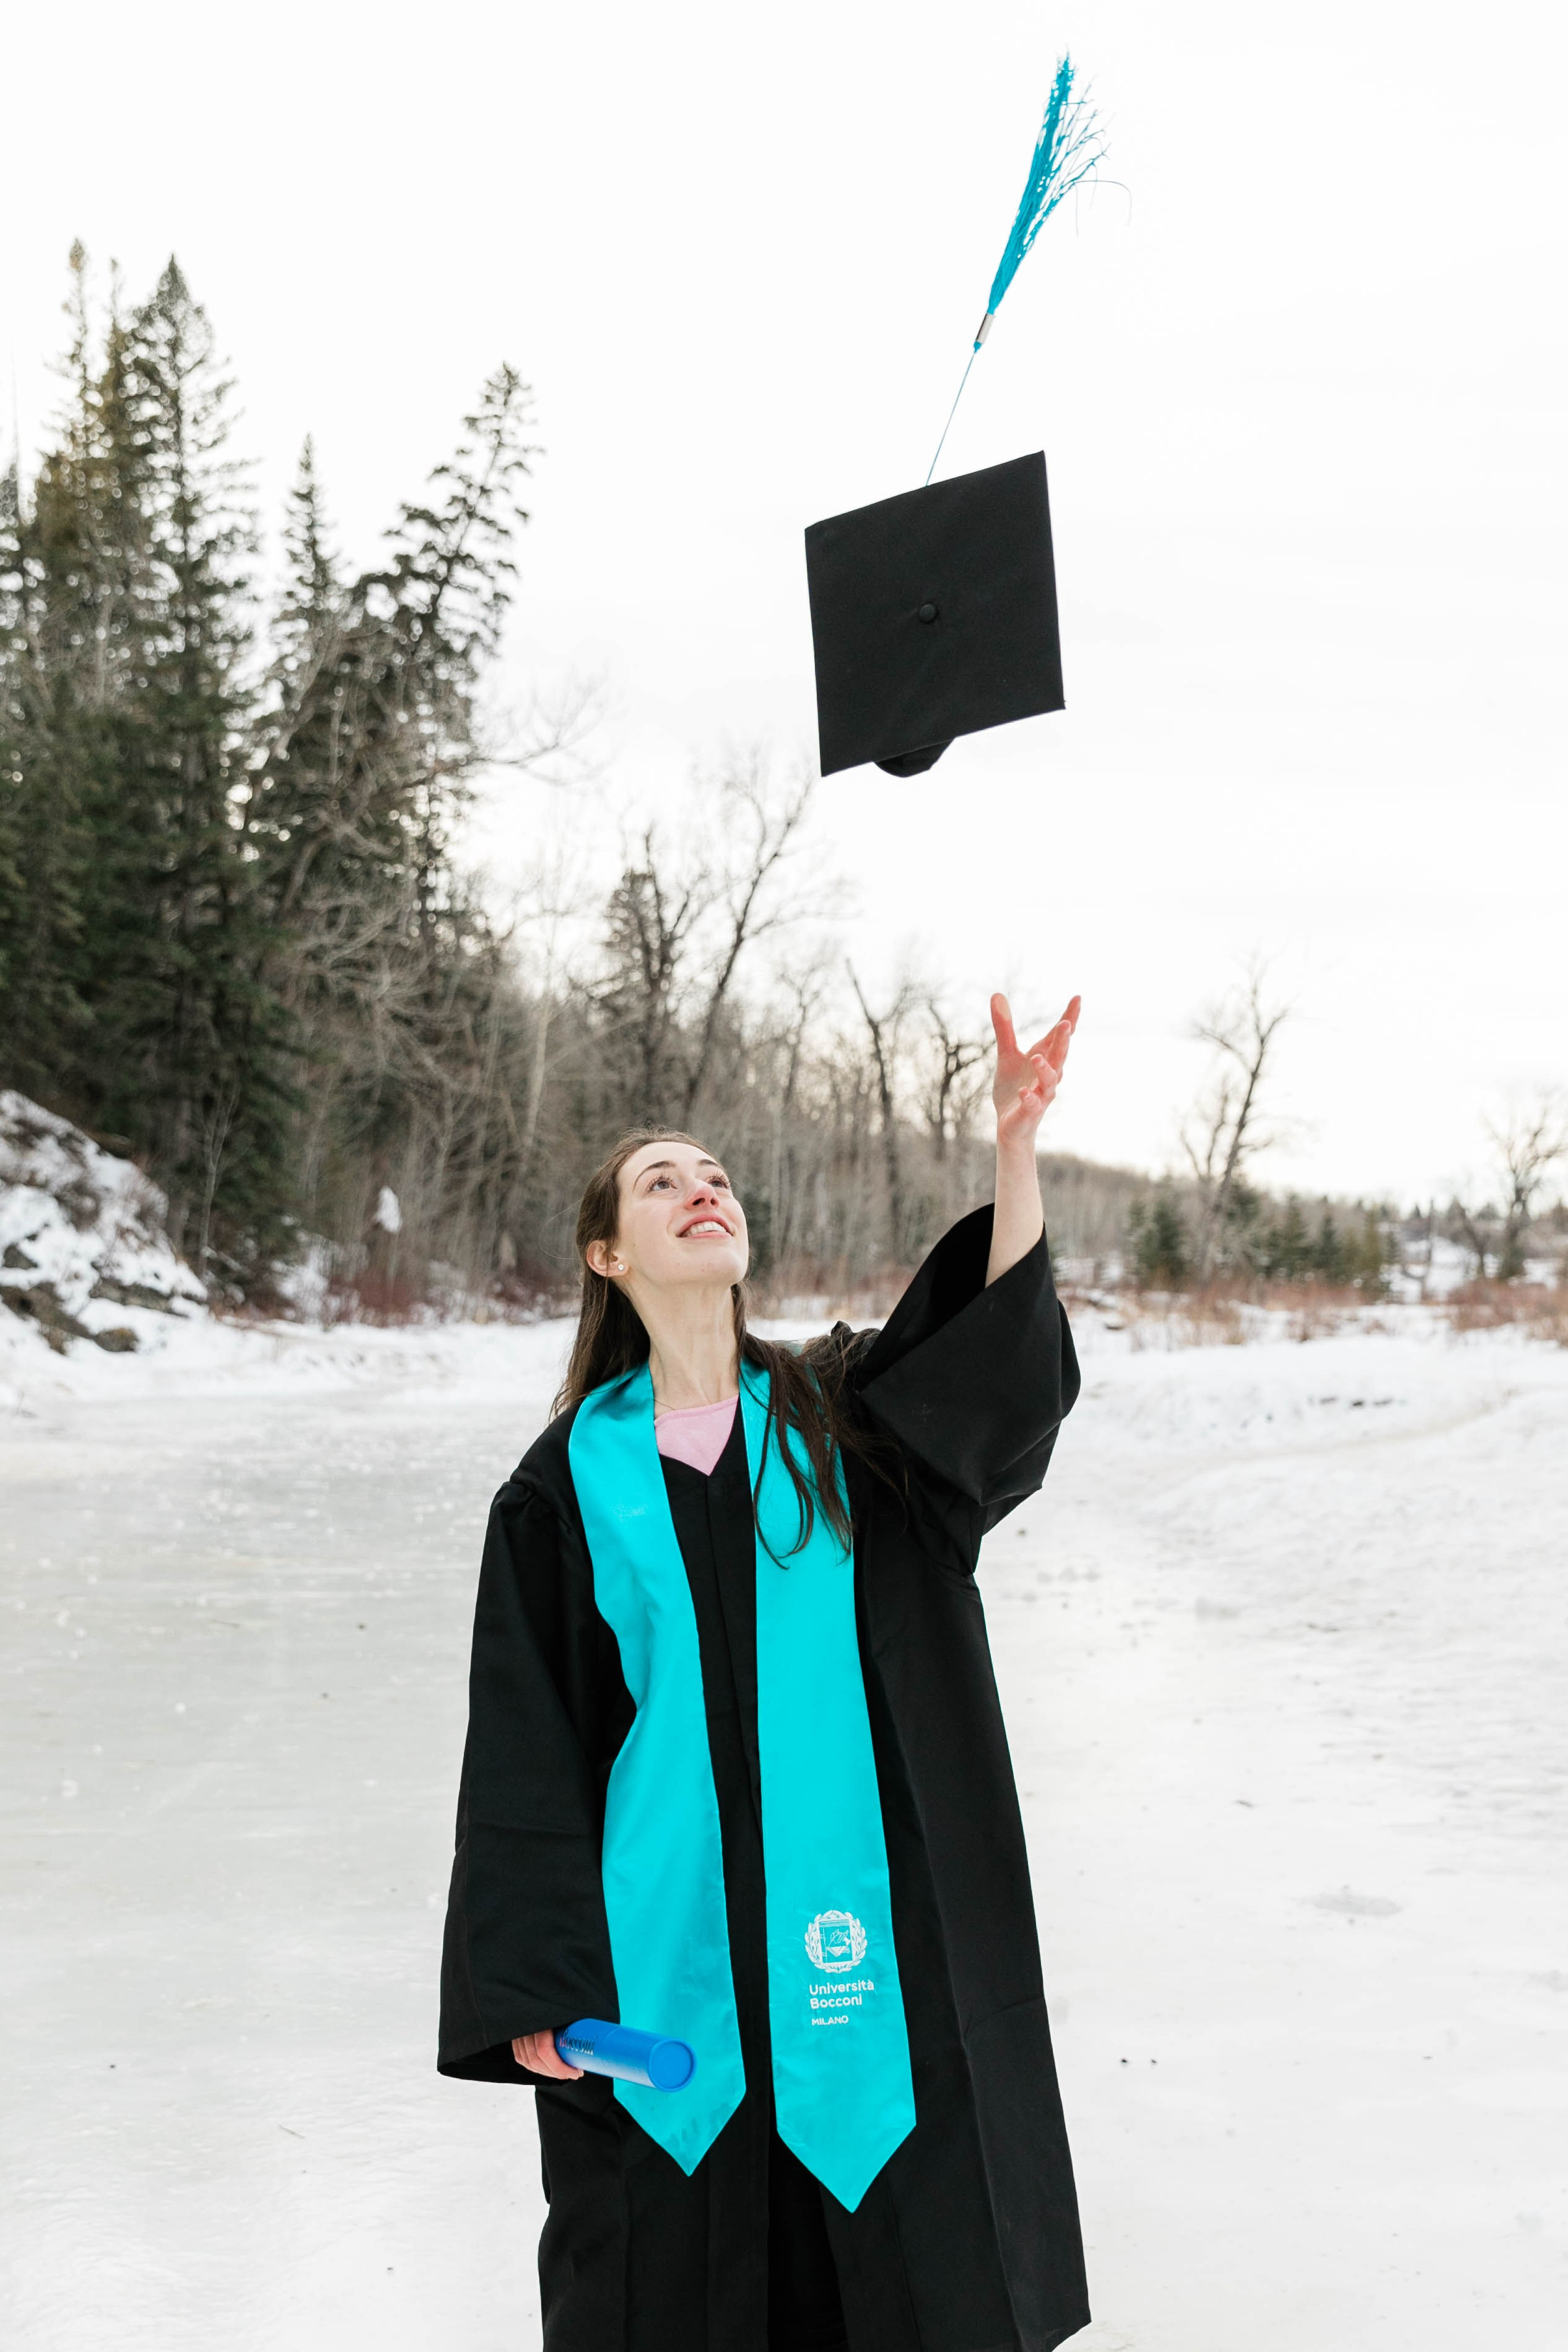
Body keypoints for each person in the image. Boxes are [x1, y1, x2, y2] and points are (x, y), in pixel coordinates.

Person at [438, 991, 1089, 2352]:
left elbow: (996, 1376)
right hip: (670, 1993)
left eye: (718, 1176)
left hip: (868, 1956)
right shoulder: (562, 1490)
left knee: (903, 2285)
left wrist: (1013, 1153)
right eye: (661, 1181)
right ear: (606, 1252)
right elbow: (529, 1746)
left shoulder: (845, 1421)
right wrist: (536, 1992)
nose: (703, 1190)